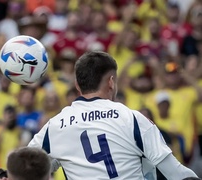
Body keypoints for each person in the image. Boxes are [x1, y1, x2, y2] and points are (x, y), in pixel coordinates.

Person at [28, 51, 198, 179]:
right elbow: (175, 173)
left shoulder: (54, 126)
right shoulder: (133, 119)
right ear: (111, 82)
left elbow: (25, 170)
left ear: (77, 85)